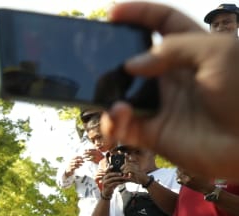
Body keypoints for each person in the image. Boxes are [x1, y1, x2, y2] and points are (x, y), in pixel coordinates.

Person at [100, 3, 239, 182]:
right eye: (215, 24)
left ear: (237, 25)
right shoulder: (195, 64)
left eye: (226, 22)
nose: (220, 27)